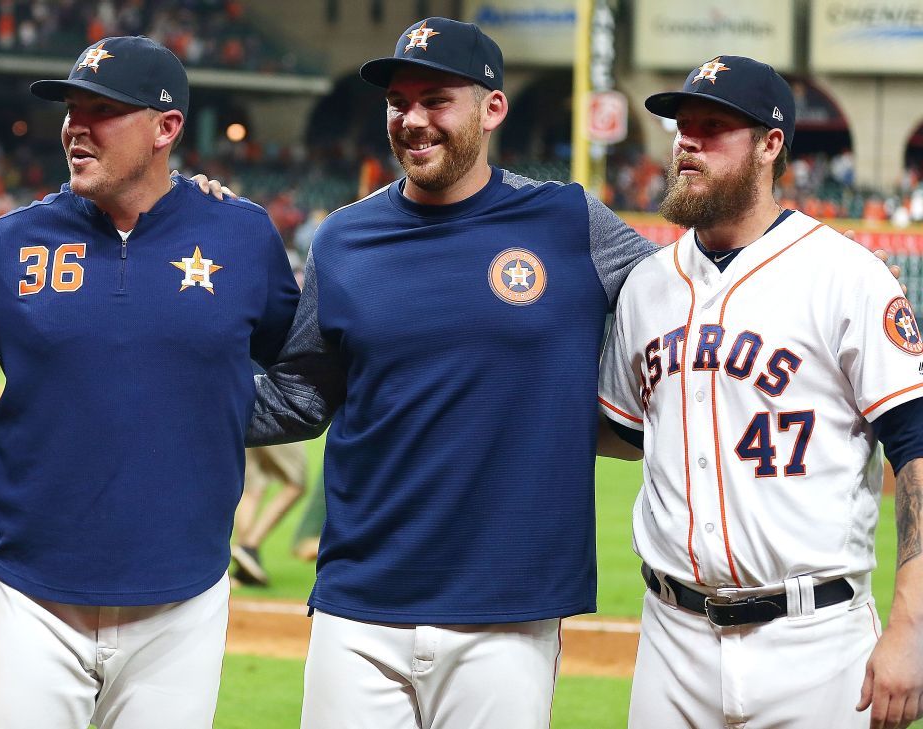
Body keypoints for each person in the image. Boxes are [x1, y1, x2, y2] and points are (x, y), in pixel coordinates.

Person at [246, 17, 658, 728]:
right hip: (359, 602)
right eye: (398, 102)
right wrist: (167, 395)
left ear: (492, 108)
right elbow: (303, 391)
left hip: (509, 606)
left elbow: (682, 309)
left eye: (436, 99)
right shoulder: (344, 237)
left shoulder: (569, 221)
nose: (412, 120)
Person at [0, 36, 299, 728]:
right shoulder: (13, 242)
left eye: (103, 110)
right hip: (29, 598)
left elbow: (304, 366)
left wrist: (214, 411)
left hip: (182, 603)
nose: (76, 126)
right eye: (73, 109)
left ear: (167, 128)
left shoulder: (242, 237)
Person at [599, 55, 923, 729]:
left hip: (817, 642)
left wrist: (912, 627)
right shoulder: (647, 285)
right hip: (672, 642)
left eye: (713, 127)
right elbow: (623, 434)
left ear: (771, 144)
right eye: (682, 126)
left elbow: (916, 449)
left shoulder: (847, 275)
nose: (686, 142)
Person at [231, 442, 307, 586]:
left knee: (251, 489)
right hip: (280, 421)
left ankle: (245, 567)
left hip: (248, 422)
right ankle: (248, 547)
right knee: (295, 485)